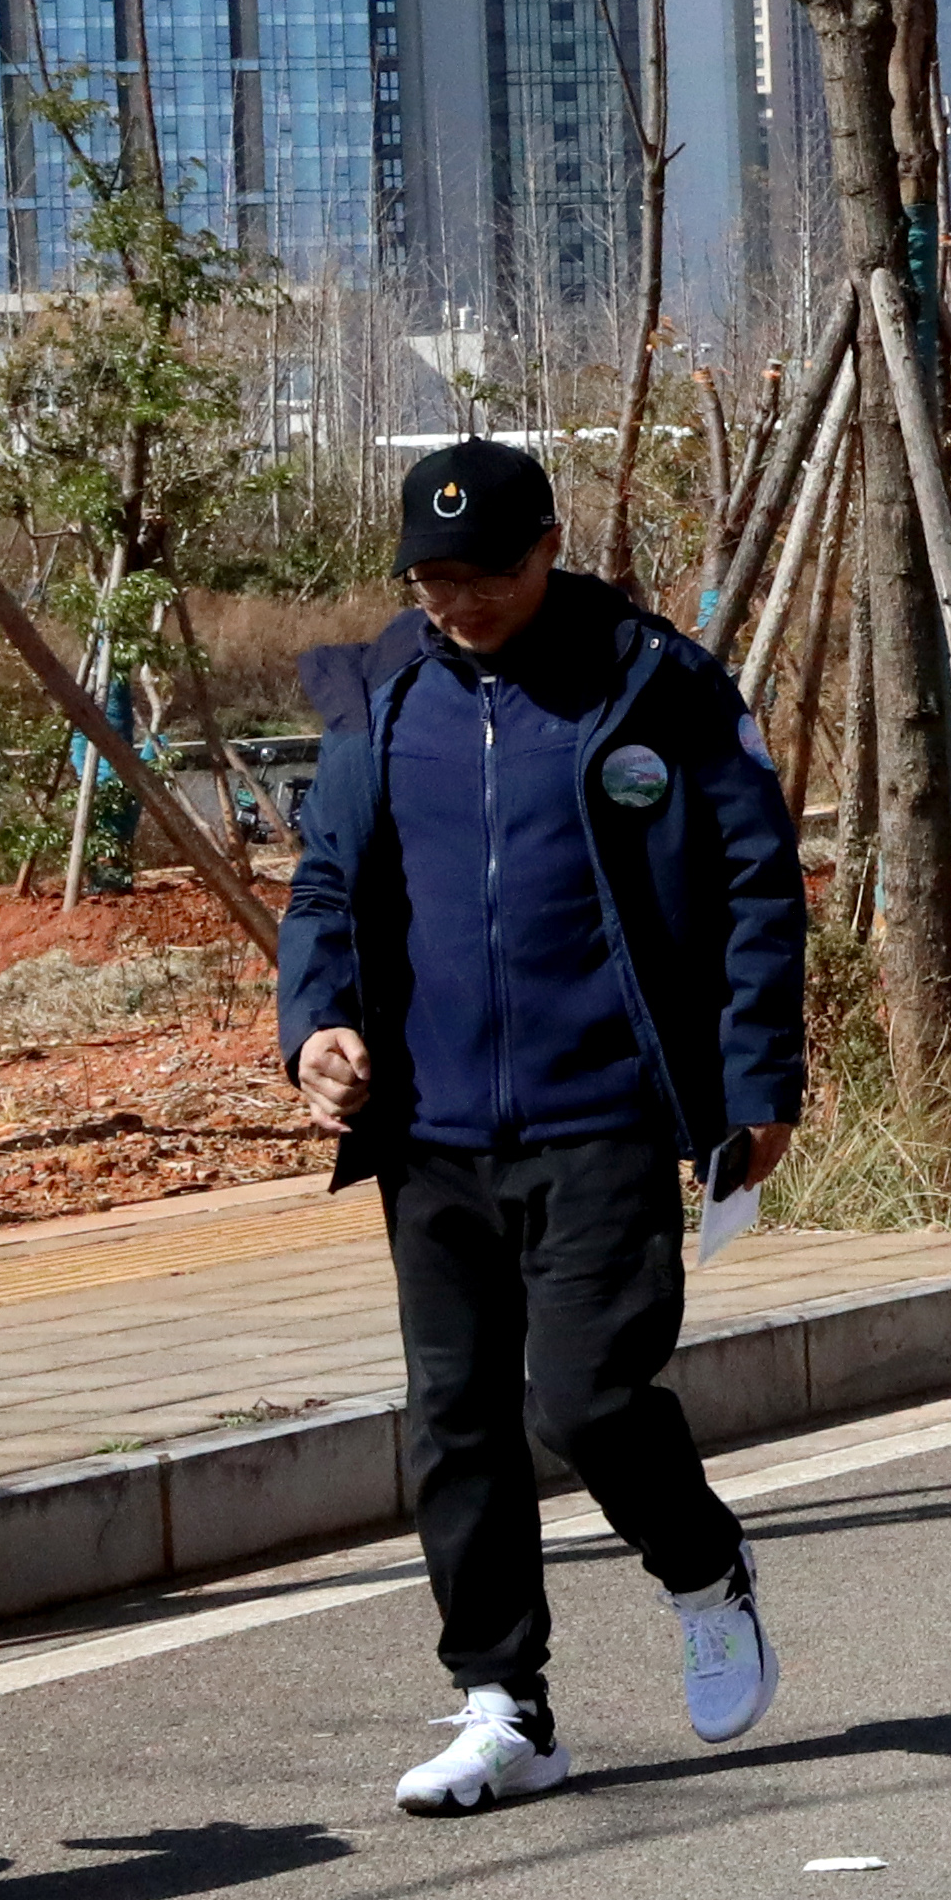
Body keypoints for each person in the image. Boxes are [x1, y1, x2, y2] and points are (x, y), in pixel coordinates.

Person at [277, 440, 800, 1818]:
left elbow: (757, 883)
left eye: (487, 572)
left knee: (585, 1398)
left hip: (606, 1114)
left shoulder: (651, 684)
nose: (461, 601)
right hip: (433, 1130)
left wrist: (759, 1084)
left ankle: (703, 1570)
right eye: (434, 578)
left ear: (548, 547)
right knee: (455, 1422)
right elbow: (326, 888)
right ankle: (504, 1706)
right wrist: (316, 1028)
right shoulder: (386, 698)